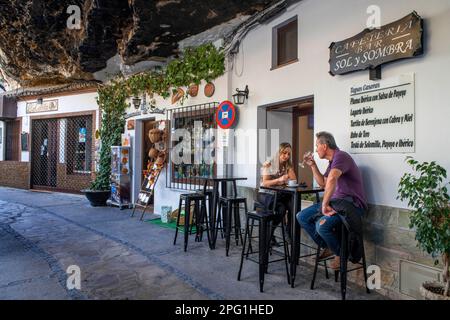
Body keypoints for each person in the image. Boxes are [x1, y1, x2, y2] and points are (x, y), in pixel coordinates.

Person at [296, 132, 367, 269]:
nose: (316, 149)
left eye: (317, 146)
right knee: (301, 216)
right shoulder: (332, 162)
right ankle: (330, 247)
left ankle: (341, 254)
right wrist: (313, 165)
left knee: (322, 226)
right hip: (337, 203)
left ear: (324, 145)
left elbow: (333, 178)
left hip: (351, 205)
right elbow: (323, 182)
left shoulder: (341, 156)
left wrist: (324, 204)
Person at [260, 142, 297, 245]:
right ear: (279, 152)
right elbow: (265, 183)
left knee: (293, 206)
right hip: (267, 194)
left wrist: (288, 174)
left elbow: (294, 180)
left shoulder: (287, 165)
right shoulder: (269, 163)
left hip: (279, 195)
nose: (287, 156)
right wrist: (279, 180)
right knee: (281, 209)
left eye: (289, 154)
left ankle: (289, 233)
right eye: (284, 153)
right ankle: (269, 233)